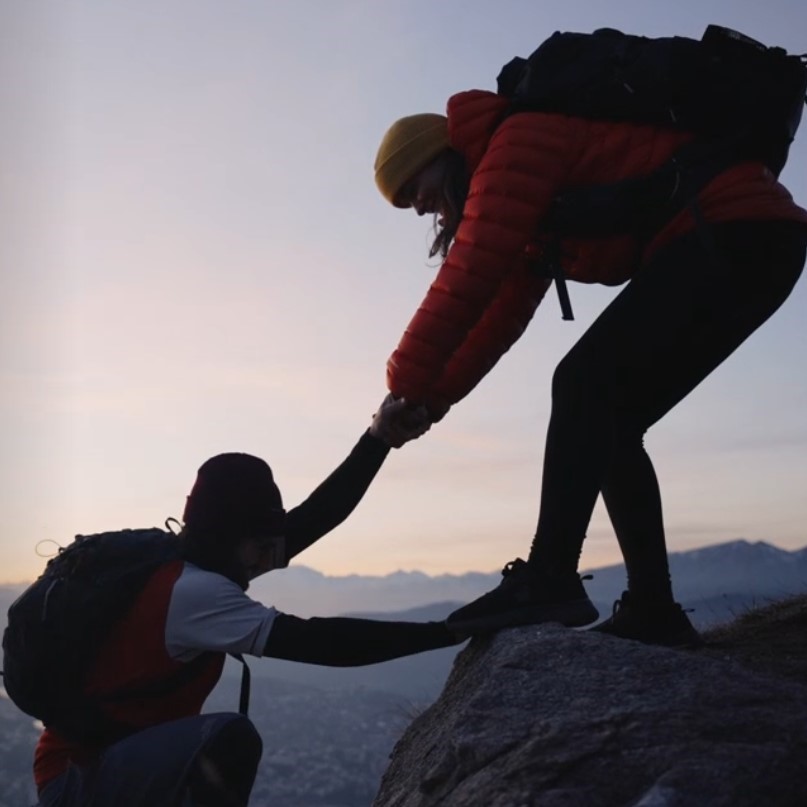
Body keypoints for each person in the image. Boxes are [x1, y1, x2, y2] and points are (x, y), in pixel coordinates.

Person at [372, 76, 807, 647]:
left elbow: (469, 275)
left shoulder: (515, 146)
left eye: (415, 186)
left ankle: (550, 576)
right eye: (405, 203)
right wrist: (430, 400)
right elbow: (499, 314)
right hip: (747, 241)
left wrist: (403, 381)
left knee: (582, 383)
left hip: (734, 230)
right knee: (610, 420)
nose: (419, 205)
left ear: (442, 152)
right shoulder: (521, 202)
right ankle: (653, 608)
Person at [35, 396, 463, 807]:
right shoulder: (193, 593)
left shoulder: (198, 559)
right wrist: (447, 630)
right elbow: (324, 643)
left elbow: (316, 517)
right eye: (260, 547)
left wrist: (378, 438)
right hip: (78, 781)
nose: (267, 559)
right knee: (230, 738)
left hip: (112, 761)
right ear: (229, 540)